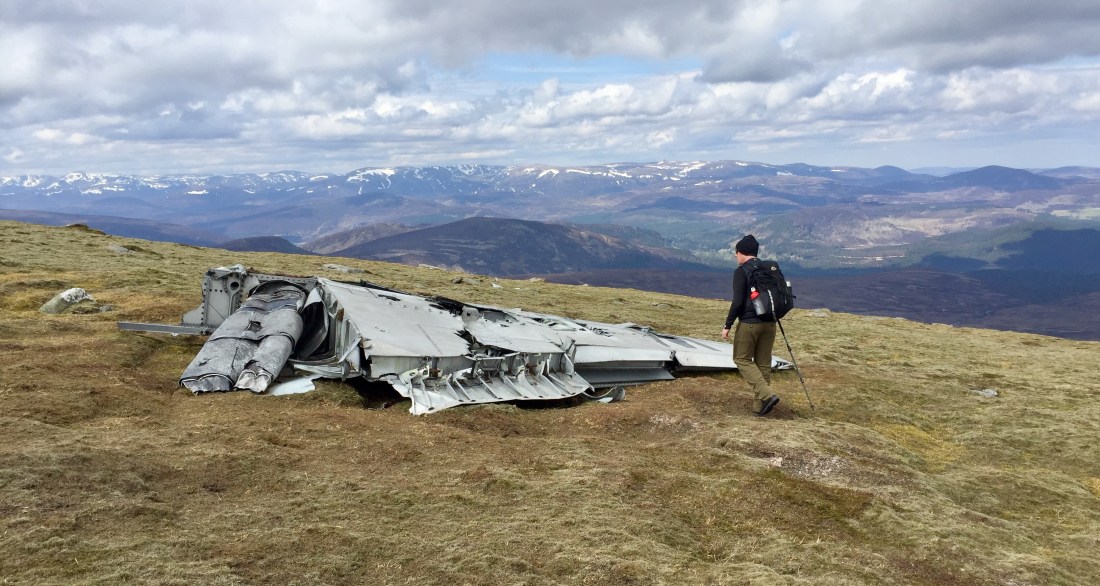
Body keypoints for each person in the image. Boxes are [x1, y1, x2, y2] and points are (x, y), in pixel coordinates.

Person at [721, 234, 780, 416]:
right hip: (770, 323)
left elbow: (738, 301)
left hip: (749, 324)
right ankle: (759, 407)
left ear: (742, 253)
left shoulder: (741, 271)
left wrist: (727, 325)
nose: (735, 257)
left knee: (741, 359)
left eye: (736, 253)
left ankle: (767, 395)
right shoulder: (768, 268)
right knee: (763, 363)